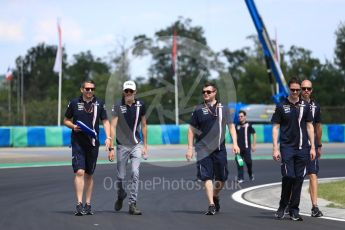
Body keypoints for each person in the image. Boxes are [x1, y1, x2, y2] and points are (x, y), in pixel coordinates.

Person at [186, 82, 240, 215]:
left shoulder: (224, 108)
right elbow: (191, 130)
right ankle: (211, 204)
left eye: (208, 92)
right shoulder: (198, 109)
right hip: (203, 149)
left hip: (219, 148)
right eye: (203, 92)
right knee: (207, 177)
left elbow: (231, 127)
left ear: (215, 93)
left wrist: (235, 143)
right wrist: (189, 148)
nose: (205, 94)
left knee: (222, 178)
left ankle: (215, 196)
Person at [63, 79, 112, 216]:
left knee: (89, 174)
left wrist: (108, 138)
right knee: (79, 172)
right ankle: (79, 204)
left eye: (92, 89)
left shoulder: (100, 104)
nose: (89, 91)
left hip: (93, 143)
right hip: (77, 142)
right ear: (82, 90)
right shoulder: (74, 103)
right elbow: (66, 120)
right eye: (87, 89)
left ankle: (88, 204)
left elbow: (106, 121)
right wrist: (73, 126)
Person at [272, 77, 316, 221]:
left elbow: (310, 126)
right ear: (289, 89)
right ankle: (282, 205)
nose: (296, 92)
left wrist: (313, 147)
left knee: (298, 178)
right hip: (287, 148)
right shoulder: (281, 106)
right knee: (289, 176)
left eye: (298, 90)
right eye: (293, 90)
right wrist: (275, 148)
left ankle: (294, 210)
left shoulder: (306, 106)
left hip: (303, 148)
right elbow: (276, 127)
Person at [108, 80, 148, 215]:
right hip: (121, 145)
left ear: (135, 92)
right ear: (123, 92)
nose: (129, 93)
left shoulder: (141, 105)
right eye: (126, 91)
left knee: (135, 173)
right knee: (120, 177)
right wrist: (111, 147)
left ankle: (132, 204)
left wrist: (145, 146)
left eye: (131, 91)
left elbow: (143, 125)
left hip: (136, 144)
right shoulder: (118, 105)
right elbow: (112, 126)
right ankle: (120, 195)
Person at [300, 79, 323, 217]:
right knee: (295, 177)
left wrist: (319, 145)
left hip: (312, 147)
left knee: (313, 174)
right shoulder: (295, 104)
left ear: (312, 90)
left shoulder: (316, 106)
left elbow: (318, 127)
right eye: (304, 88)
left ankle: (314, 207)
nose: (306, 91)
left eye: (309, 88)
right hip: (297, 147)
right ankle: (289, 204)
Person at [235, 110, 256, 183]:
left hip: (247, 148)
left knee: (249, 162)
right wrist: (234, 145)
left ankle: (250, 174)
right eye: (239, 116)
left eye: (241, 116)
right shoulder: (237, 125)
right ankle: (240, 178)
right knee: (240, 163)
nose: (240, 118)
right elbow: (235, 135)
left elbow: (254, 133)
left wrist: (254, 145)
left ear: (245, 117)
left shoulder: (249, 125)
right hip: (239, 149)